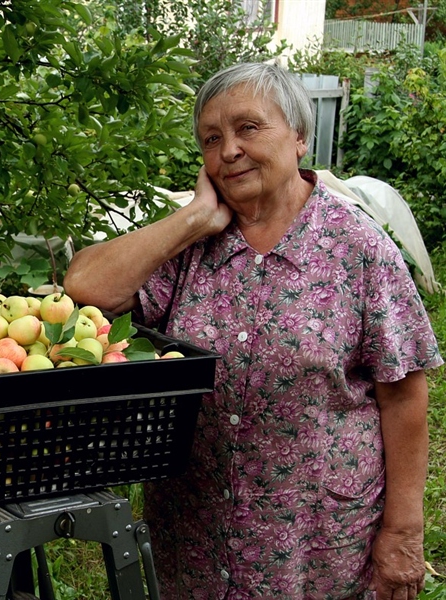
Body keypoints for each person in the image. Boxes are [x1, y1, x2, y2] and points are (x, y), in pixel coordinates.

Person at [63, 62, 442, 599]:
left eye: (248, 128)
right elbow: (85, 288)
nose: (229, 151)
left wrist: (402, 532)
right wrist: (194, 217)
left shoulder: (359, 248)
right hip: (197, 531)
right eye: (211, 139)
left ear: (300, 139)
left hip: (318, 540)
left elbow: (403, 396)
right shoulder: (188, 248)